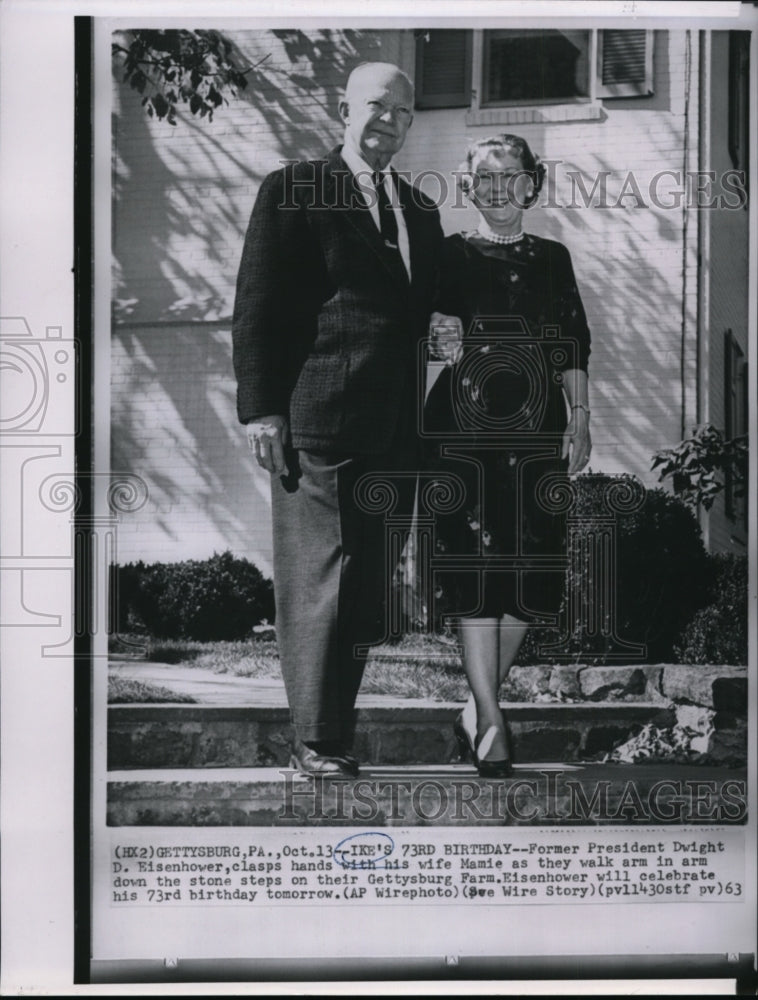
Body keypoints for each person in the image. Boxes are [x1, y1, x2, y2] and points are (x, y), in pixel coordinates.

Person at [232, 62, 460, 777]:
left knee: (368, 592)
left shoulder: (421, 211)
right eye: (375, 106)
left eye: (403, 112)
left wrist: (449, 323)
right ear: (343, 109)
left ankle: (333, 730)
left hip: (398, 429)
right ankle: (317, 741)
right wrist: (263, 410)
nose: (388, 121)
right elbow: (259, 306)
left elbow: (416, 309)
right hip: (320, 420)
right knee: (322, 580)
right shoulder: (296, 188)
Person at [424, 134, 592, 776]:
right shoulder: (449, 254)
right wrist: (442, 334)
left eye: (509, 175)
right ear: (471, 187)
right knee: (473, 566)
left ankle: (476, 708)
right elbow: (433, 326)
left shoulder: (553, 258)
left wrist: (580, 417)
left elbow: (572, 342)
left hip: (535, 426)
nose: (497, 188)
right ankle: (492, 718)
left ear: (531, 183)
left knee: (531, 564)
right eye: (484, 178)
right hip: (463, 425)